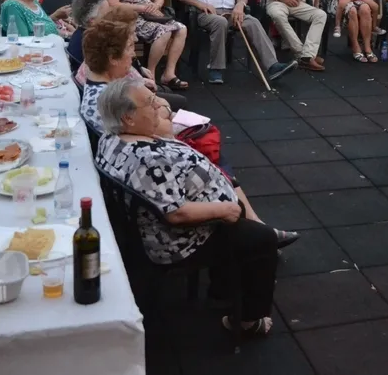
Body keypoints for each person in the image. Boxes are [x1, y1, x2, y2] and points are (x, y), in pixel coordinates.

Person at [94, 78, 280, 336]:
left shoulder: (110, 137)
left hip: (162, 223)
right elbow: (176, 213)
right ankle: (249, 321)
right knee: (263, 240)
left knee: (244, 230)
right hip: (179, 240)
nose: (157, 108)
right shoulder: (150, 160)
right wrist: (224, 210)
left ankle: (222, 287)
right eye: (149, 104)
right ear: (128, 118)